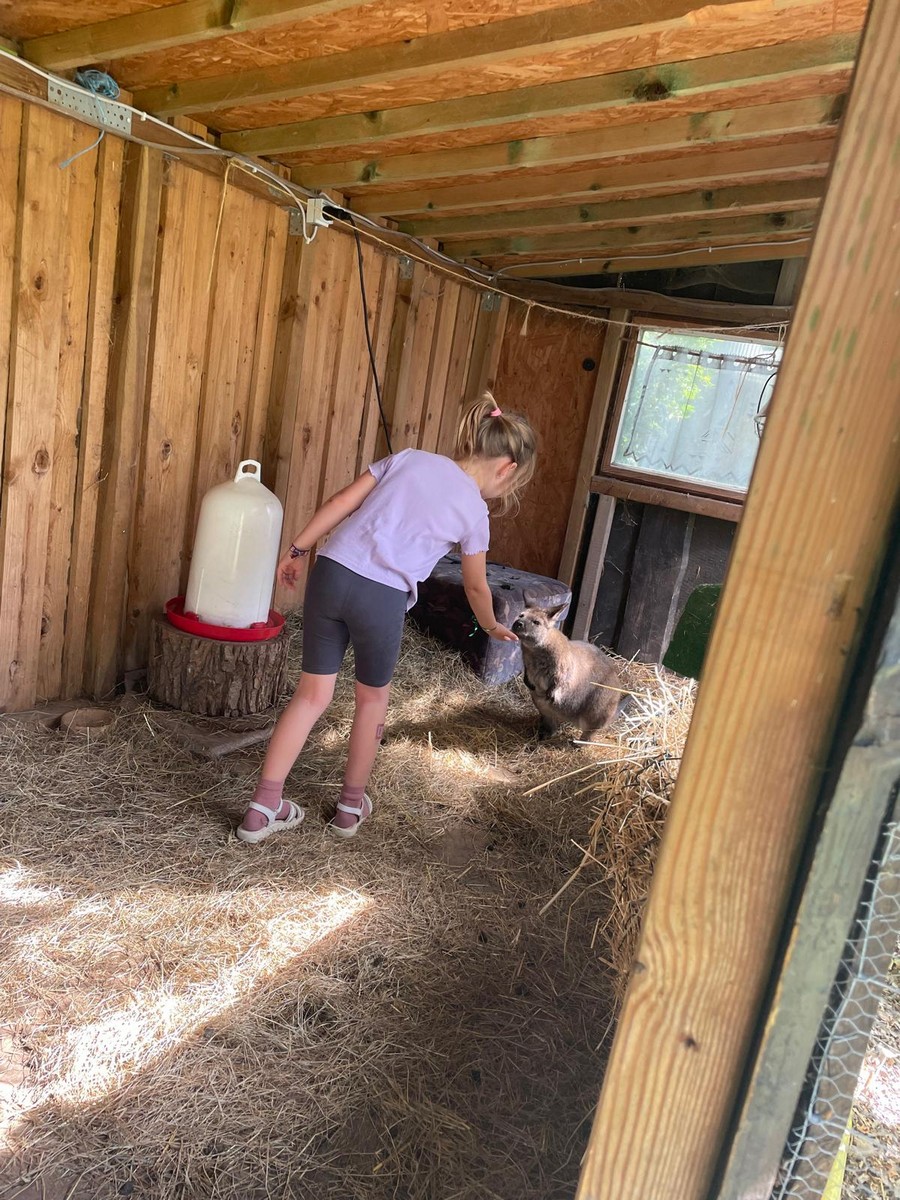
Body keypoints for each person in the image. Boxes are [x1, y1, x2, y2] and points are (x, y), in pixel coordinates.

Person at [236, 393, 537, 844]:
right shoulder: (475, 512)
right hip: (381, 597)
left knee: (312, 695)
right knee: (372, 700)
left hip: (331, 573)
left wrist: (297, 548)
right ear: (507, 468)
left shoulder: (410, 458)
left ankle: (262, 807)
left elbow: (342, 501)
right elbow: (476, 586)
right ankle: (349, 808)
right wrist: (492, 625)